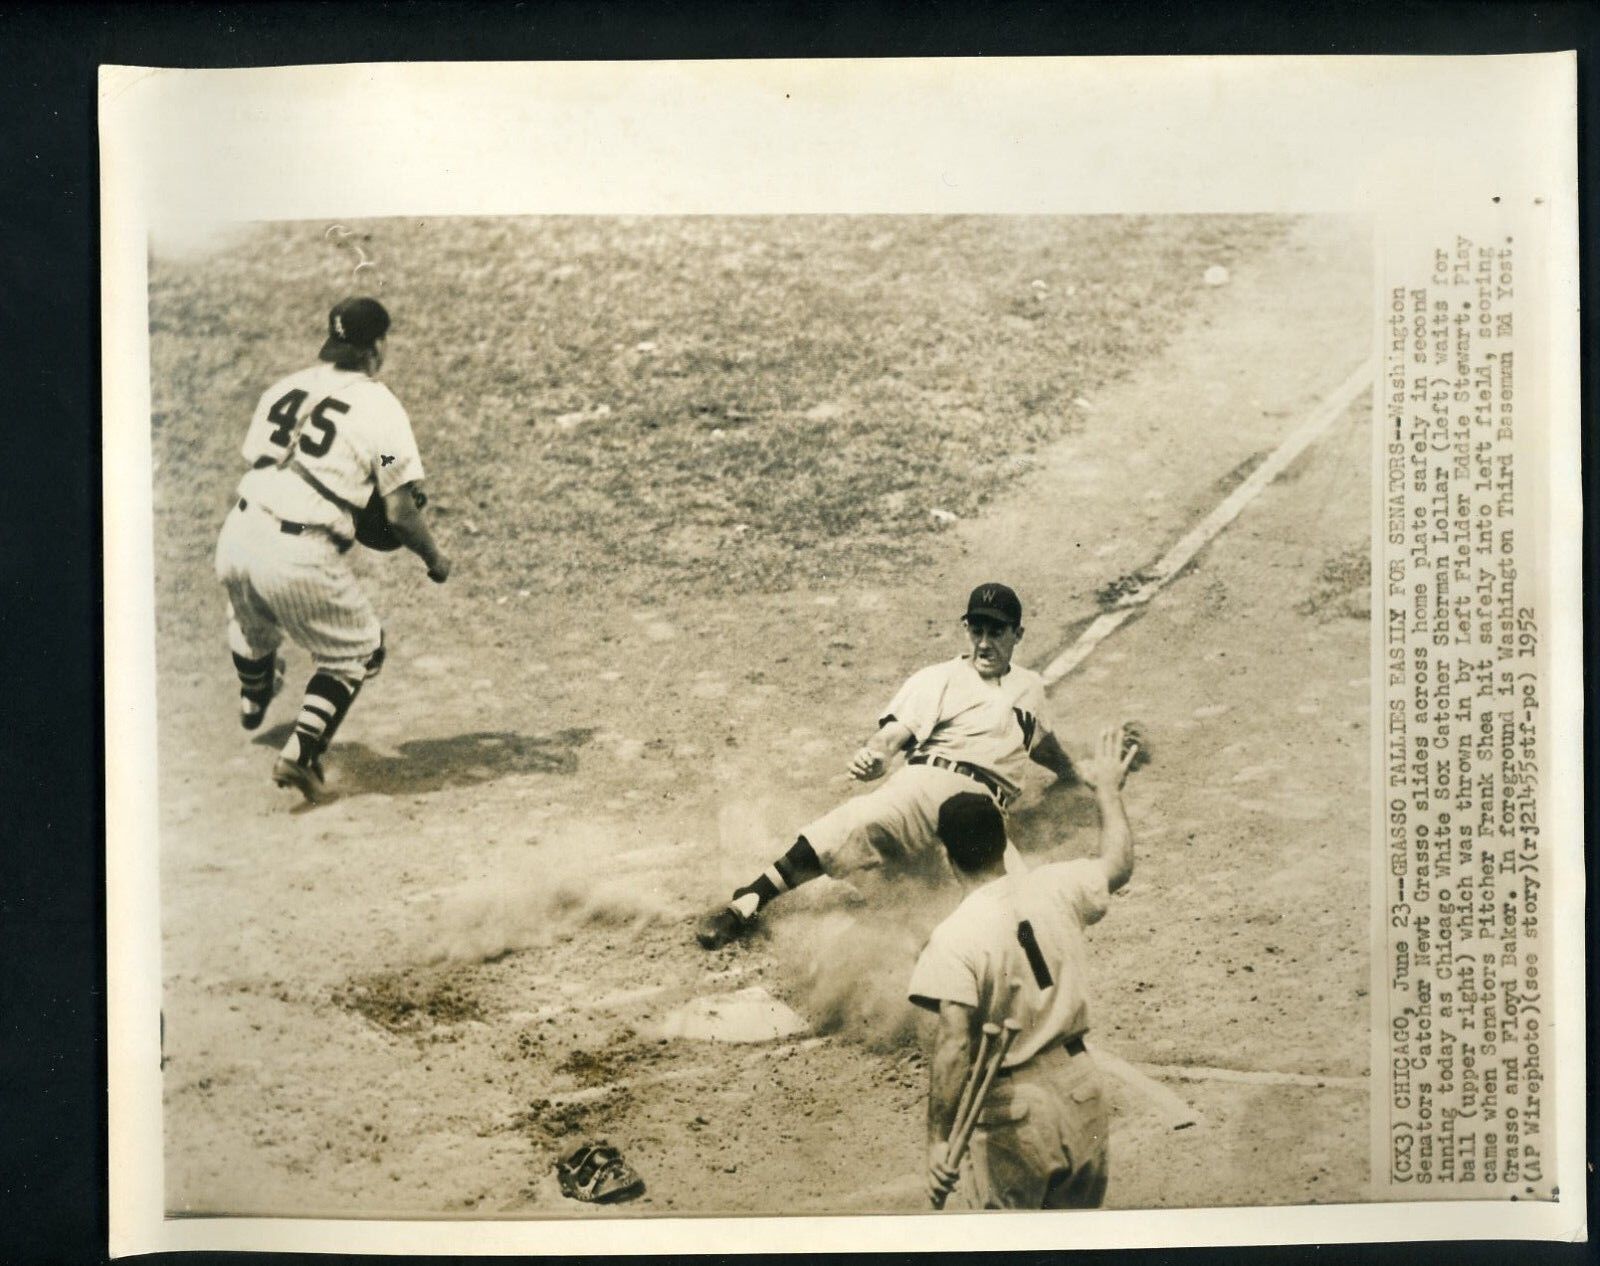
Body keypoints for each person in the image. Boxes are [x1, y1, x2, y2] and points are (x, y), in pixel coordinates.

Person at [696, 582, 1080, 949]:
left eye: (996, 632)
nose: (984, 643)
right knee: (854, 822)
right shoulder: (939, 678)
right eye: (976, 630)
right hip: (926, 783)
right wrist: (876, 756)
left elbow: (1042, 743)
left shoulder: (1032, 688)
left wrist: (1071, 775)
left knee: (1019, 908)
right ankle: (750, 898)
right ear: (966, 629)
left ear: (1018, 634)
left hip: (981, 808)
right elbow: (893, 736)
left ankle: (1033, 977)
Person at [213, 297, 450, 801]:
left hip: (236, 535)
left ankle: (255, 694)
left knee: (252, 625)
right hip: (297, 554)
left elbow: (271, 459)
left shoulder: (286, 387)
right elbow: (400, 512)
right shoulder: (381, 409)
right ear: (378, 347)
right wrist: (435, 559)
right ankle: (301, 755)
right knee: (359, 650)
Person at [910, 722, 1138, 1210]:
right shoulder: (1056, 885)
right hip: (1084, 1094)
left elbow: (954, 1046)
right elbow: (1117, 863)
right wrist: (1107, 792)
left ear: (947, 856)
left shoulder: (954, 936)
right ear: (1002, 837)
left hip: (1014, 1114)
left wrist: (937, 1141)